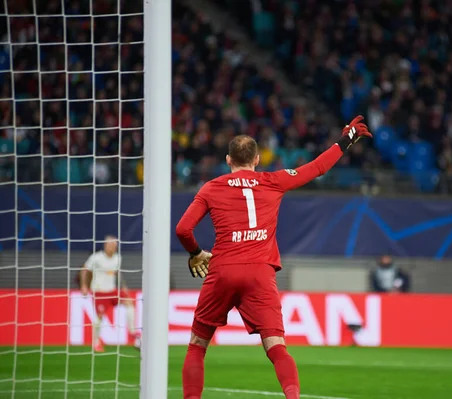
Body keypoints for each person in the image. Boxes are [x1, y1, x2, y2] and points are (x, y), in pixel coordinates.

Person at [175, 116, 372, 399]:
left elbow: (183, 229)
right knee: (277, 347)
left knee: (197, 346)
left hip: (222, 270)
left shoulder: (211, 188)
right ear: (257, 159)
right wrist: (346, 139)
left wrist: (195, 253)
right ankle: (292, 397)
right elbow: (317, 168)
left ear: (229, 160)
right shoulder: (273, 181)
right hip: (259, 273)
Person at [79, 235, 140, 352]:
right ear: (106, 245)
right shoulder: (96, 258)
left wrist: (124, 287)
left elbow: (118, 273)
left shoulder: (118, 258)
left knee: (130, 303)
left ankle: (133, 332)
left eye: (115, 246)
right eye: (111, 245)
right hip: (99, 292)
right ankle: (96, 341)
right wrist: (84, 285)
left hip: (112, 291)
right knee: (99, 317)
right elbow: (84, 270)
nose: (113, 248)